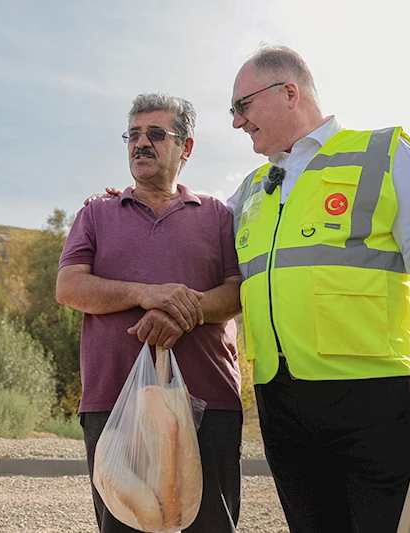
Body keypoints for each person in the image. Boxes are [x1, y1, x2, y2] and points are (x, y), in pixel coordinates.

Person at [225, 45, 410, 532]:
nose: (236, 122)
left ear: (289, 93)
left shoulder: (383, 153)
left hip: (374, 399)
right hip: (281, 402)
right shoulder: (252, 188)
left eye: (242, 106)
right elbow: (192, 227)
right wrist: (129, 200)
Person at [57, 93, 244, 533]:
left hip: (207, 401)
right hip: (114, 402)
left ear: (187, 148)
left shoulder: (218, 215)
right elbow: (69, 287)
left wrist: (182, 313)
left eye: (156, 134)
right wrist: (146, 294)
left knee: (210, 524)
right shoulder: (97, 213)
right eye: (134, 135)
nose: (141, 144)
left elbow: (238, 294)